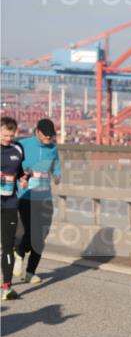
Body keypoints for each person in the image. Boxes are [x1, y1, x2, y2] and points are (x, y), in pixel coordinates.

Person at [15, 118, 61, 285]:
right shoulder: (23, 145)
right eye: (47, 136)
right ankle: (19, 252)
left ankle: (30, 273)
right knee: (31, 231)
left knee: (41, 236)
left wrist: (57, 176)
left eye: (52, 136)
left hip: (44, 197)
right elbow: (11, 163)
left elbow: (56, 167)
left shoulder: (53, 149)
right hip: (26, 196)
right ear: (38, 132)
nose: (50, 139)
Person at [1, 117, 28, 301]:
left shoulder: (18, 148)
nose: (8, 138)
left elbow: (18, 170)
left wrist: (23, 177)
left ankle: (7, 287)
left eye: (11, 135)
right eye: (4, 134)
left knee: (8, 246)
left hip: (10, 203)